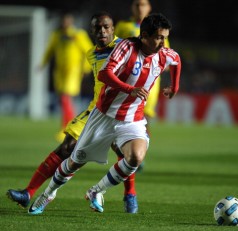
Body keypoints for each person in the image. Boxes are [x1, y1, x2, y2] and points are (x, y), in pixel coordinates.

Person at [27, 12, 181, 215]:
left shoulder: (165, 54)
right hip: (104, 116)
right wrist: (130, 89)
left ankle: (96, 191)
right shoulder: (126, 47)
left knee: (135, 157)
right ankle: (48, 194)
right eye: (159, 37)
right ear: (144, 35)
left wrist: (174, 87)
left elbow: (177, 60)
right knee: (75, 161)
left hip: (132, 119)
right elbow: (104, 73)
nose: (163, 42)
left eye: (165, 37)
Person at [7, 12, 139, 214]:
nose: (102, 31)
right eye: (97, 28)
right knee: (67, 146)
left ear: (113, 29)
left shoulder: (127, 48)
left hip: (121, 111)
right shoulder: (91, 53)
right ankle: (28, 192)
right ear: (92, 31)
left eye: (106, 27)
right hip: (96, 109)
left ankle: (130, 194)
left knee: (126, 155)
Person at [115, 0, 170, 137]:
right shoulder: (122, 26)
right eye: (137, 5)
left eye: (143, 5)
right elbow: (114, 50)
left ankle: (137, 153)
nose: (140, 8)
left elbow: (166, 56)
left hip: (150, 81)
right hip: (129, 80)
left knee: (145, 118)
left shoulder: (158, 29)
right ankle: (130, 152)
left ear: (149, 7)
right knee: (126, 120)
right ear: (132, 7)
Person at [39, 12, 93, 141]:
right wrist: (42, 64)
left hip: (73, 71)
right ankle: (71, 128)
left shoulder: (78, 35)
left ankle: (66, 129)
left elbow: (89, 51)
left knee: (65, 98)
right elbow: (50, 50)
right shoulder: (57, 35)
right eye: (63, 21)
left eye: (67, 21)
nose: (65, 23)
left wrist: (86, 68)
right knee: (64, 100)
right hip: (60, 72)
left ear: (71, 22)